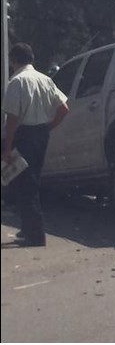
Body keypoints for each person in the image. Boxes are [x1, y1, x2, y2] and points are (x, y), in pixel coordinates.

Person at [1, 43, 69, 247]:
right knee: (31, 181)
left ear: (14, 60)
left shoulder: (17, 82)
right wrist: (48, 128)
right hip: (40, 134)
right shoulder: (45, 79)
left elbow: (12, 118)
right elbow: (64, 108)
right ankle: (28, 228)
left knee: (25, 185)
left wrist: (7, 147)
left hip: (23, 135)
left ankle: (36, 234)